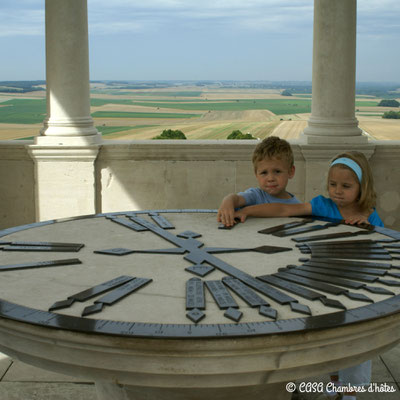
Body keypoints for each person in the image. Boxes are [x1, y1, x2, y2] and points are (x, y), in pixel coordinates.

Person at [228, 150, 383, 400]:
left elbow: (380, 249)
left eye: (346, 185)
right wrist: (250, 211)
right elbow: (282, 210)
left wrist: (368, 227)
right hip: (324, 286)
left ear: (362, 187)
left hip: (354, 289)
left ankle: (349, 393)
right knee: (329, 341)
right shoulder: (322, 205)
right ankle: (335, 385)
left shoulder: (370, 215)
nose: (337, 191)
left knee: (353, 341)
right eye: (332, 184)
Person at [217, 136, 300, 227]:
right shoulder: (256, 195)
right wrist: (228, 200)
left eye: (277, 171)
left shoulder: (297, 206)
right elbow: (237, 199)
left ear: (291, 172)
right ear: (256, 174)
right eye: (264, 173)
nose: (270, 178)